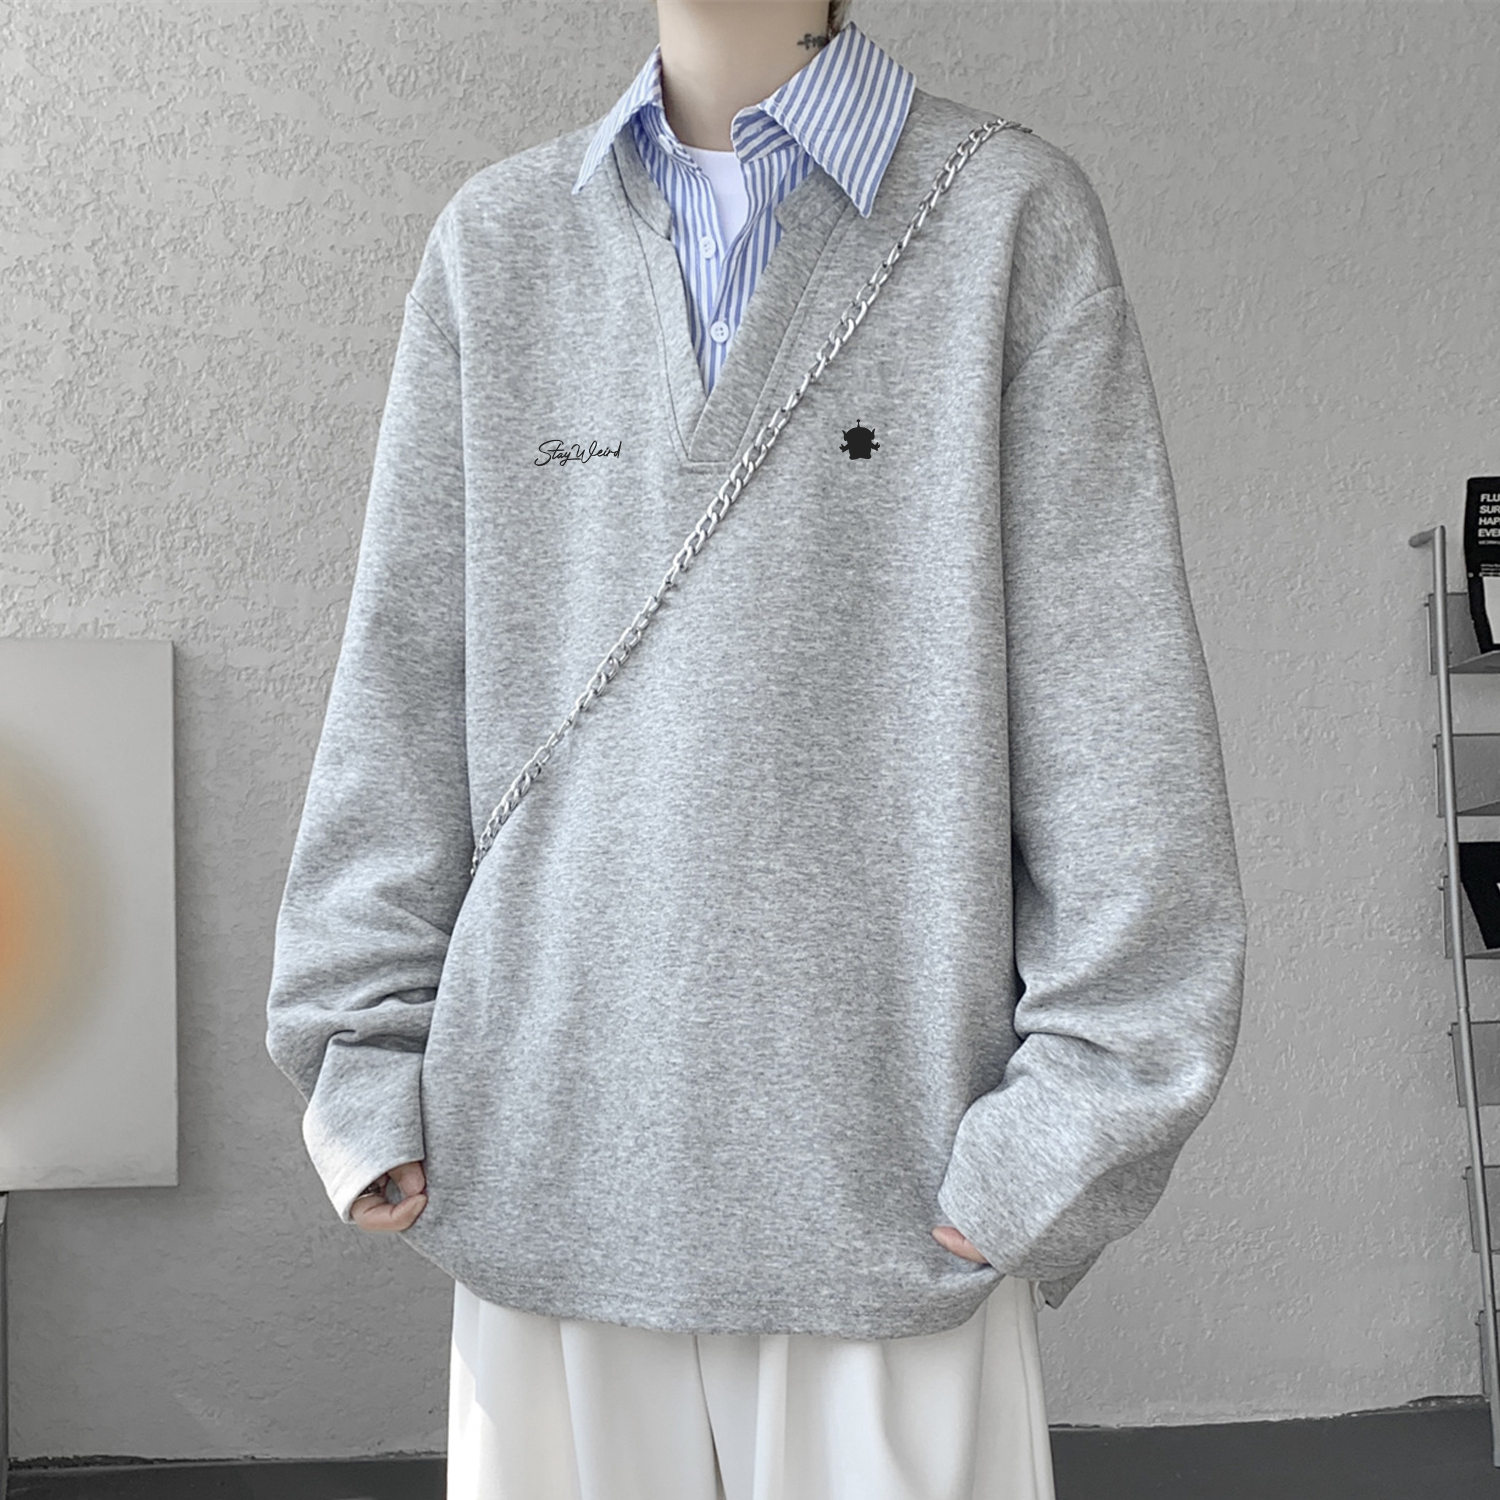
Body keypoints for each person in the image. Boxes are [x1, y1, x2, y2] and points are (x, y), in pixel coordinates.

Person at [265, 0, 1248, 1495]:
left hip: (894, 1181)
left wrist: (1067, 1135)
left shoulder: (1004, 220)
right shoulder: (502, 242)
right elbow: (403, 691)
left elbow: (1117, 721)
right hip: (540, 1162)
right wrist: (365, 1050)